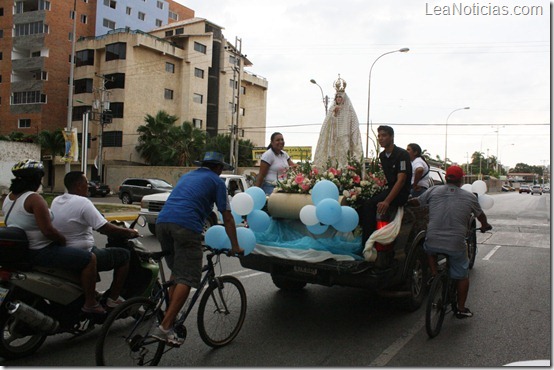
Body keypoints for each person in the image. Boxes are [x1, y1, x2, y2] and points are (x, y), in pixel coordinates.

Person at [153, 152, 244, 346]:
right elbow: (227, 217)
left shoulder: (187, 176)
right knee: (187, 278)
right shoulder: (217, 182)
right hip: (186, 227)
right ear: (219, 168)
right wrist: (235, 246)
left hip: (162, 224)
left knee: (177, 272)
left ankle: (167, 315)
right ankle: (165, 328)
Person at [2, 160, 105, 314]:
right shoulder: (34, 199)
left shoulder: (10, 197)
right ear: (37, 179)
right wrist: (62, 240)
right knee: (90, 259)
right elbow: (48, 231)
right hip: (40, 251)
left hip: (25, 250)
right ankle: (90, 303)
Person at [409, 165, 491, 318]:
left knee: (429, 249)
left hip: (432, 240)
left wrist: (404, 202)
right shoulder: (470, 197)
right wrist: (485, 226)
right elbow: (481, 217)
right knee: (462, 275)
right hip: (455, 244)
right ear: (461, 180)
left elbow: (416, 202)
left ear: (446, 178)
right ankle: (460, 308)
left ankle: (434, 274)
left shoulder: (433, 191)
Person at [51, 171, 139, 309]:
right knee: (124, 255)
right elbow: (105, 228)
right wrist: (130, 232)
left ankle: (93, 292)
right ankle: (113, 299)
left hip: (64, 251)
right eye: (86, 183)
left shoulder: (57, 200)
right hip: (83, 252)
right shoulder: (83, 202)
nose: (88, 186)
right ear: (79, 186)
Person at [358, 125, 412, 266]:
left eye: (384, 135)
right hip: (390, 189)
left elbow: (401, 180)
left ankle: (367, 247)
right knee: (362, 201)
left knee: (370, 205)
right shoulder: (382, 156)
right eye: (379, 136)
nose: (381, 138)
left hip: (401, 192)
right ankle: (364, 240)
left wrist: (387, 201)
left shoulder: (401, 155)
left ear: (392, 137)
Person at [313, 76, 363, 169]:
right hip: (333, 138)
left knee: (345, 158)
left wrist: (352, 134)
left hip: (345, 138)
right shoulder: (332, 109)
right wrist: (334, 115)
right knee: (332, 158)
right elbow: (326, 126)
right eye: (337, 97)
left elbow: (354, 123)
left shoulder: (349, 109)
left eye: (340, 96)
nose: (339, 98)